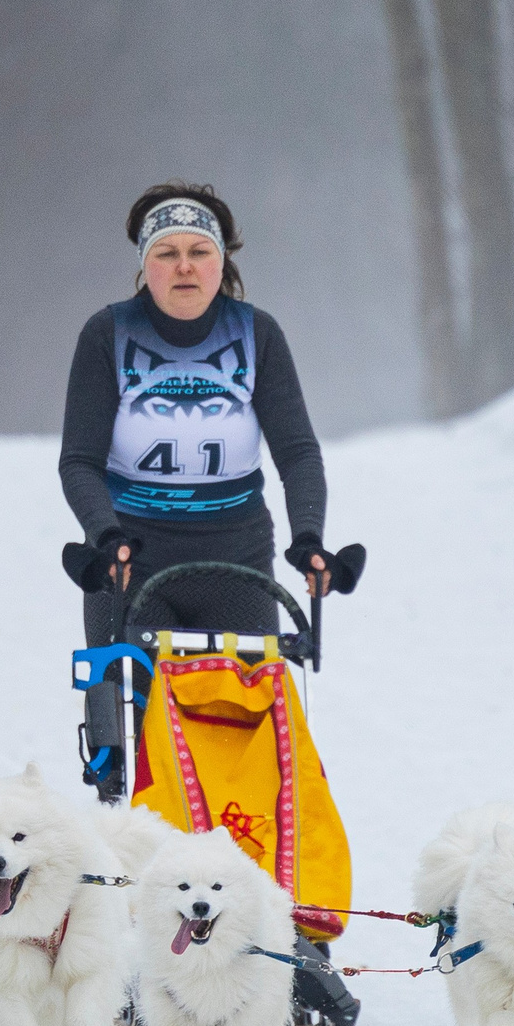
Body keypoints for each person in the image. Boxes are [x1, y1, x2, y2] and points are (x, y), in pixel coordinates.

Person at [58, 182, 340, 679]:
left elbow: (298, 453)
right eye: (167, 253)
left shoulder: (257, 334)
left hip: (237, 562)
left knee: (245, 712)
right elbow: (80, 461)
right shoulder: (108, 334)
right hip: (131, 562)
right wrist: (105, 536)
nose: (184, 266)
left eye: (199, 252)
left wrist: (309, 539)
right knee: (137, 710)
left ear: (221, 261)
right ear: (146, 264)